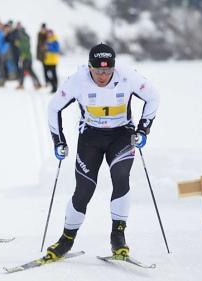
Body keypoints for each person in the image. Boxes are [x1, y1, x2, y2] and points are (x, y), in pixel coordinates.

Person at [44, 43, 159, 261]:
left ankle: (118, 236)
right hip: (91, 137)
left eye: (107, 71)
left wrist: (144, 129)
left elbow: (153, 96)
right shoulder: (77, 80)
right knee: (84, 189)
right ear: (89, 67)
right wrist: (58, 140)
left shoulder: (127, 76)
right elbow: (53, 107)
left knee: (121, 178)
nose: (103, 76)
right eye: (98, 71)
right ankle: (66, 239)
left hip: (122, 135)